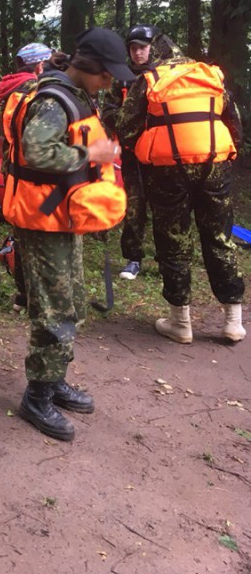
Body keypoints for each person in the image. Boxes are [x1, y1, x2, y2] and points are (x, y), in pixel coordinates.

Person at [3, 28, 132, 442]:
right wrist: (90, 154)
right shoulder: (53, 101)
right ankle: (37, 396)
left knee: (71, 302)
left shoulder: (77, 94)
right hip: (42, 221)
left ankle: (54, 379)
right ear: (88, 65)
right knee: (54, 310)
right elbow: (35, 151)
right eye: (107, 74)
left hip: (62, 217)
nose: (110, 81)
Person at [117, 34, 245, 344]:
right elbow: (235, 124)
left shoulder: (150, 79)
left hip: (167, 169)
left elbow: (125, 127)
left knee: (173, 239)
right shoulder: (209, 74)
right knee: (220, 238)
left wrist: (146, 148)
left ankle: (181, 323)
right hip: (215, 164)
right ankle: (233, 321)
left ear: (157, 56)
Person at [0, 42, 52, 312]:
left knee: (20, 230)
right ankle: (38, 298)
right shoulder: (36, 91)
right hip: (35, 176)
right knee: (40, 233)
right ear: (40, 66)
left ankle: (22, 296)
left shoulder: (8, 88)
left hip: (13, 171)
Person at [102, 24, 159, 280]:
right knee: (134, 205)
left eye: (142, 48)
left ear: (152, 48)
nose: (138, 53)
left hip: (161, 153)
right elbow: (109, 111)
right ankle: (133, 258)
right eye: (133, 48)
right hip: (133, 151)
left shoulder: (164, 76)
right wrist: (130, 123)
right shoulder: (122, 78)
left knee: (164, 206)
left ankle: (166, 258)